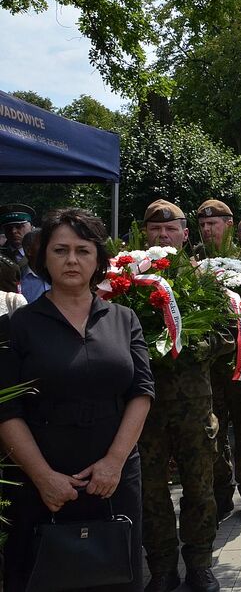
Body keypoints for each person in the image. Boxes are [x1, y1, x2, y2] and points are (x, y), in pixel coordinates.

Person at [0, 208, 154, 591]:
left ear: (99, 259)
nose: (72, 260)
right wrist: (42, 477)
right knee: (42, 574)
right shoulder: (17, 326)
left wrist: (114, 463)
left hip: (115, 477)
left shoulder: (124, 319)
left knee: (116, 574)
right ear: (42, 258)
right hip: (43, 478)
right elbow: (6, 408)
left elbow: (141, 392)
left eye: (83, 250)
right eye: (60, 250)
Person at [136, 199, 222, 592]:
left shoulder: (205, 279)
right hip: (144, 408)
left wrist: (192, 343)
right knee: (151, 490)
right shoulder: (129, 282)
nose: (163, 235)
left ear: (185, 235)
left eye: (171, 230)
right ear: (145, 234)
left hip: (193, 404)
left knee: (199, 487)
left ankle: (200, 563)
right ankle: (162, 568)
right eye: (156, 230)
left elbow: (231, 335)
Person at [193, 200, 241, 524]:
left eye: (214, 224)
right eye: (203, 225)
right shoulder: (192, 264)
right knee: (214, 435)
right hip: (208, 368)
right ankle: (222, 495)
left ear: (229, 225)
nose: (208, 230)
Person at [0, 203, 34, 273]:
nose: (13, 231)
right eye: (8, 228)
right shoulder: (1, 255)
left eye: (19, 226)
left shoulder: (42, 253)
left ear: (31, 227)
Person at [19, 228, 50, 303]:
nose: (48, 248)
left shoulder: (58, 274)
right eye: (43, 244)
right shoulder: (19, 279)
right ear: (29, 251)